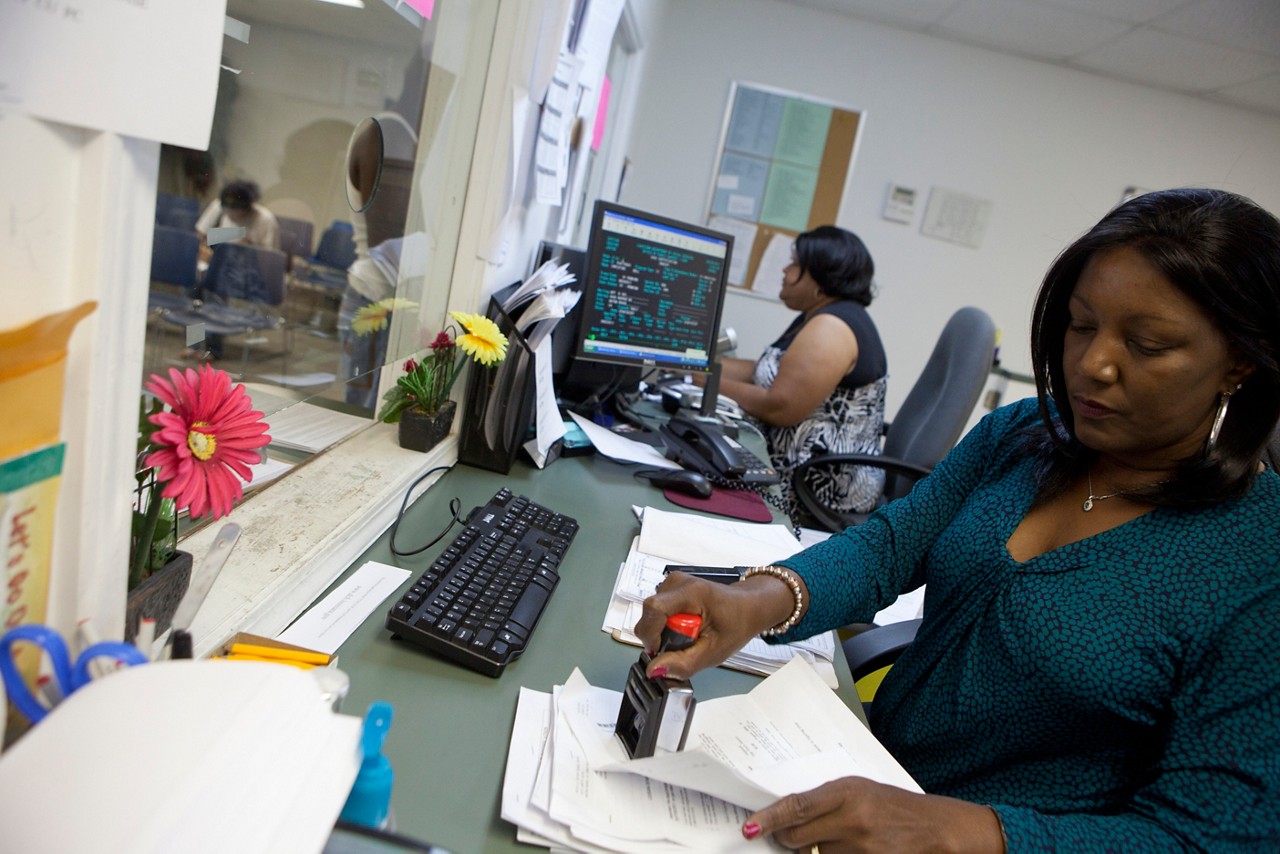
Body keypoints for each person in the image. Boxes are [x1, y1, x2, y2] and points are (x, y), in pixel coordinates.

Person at [637, 188, 1280, 851]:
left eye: (1147, 344)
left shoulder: (1258, 561)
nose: (1093, 364)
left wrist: (965, 834)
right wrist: (754, 598)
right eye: (1082, 325)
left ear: (1239, 359)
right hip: (859, 769)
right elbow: (891, 546)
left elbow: (1207, 838)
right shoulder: (1023, 434)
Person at [703, 226, 888, 519]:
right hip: (795, 468)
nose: (785, 271)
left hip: (819, 485)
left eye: (795, 264)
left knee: (695, 475)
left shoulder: (832, 328)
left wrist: (702, 381)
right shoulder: (816, 316)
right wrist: (694, 366)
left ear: (821, 279)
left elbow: (780, 407)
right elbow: (764, 371)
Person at [194, 179, 280, 263]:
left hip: (249, 266)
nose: (229, 213)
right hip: (219, 261)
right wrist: (204, 249)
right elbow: (200, 234)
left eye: (235, 210)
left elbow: (270, 258)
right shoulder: (218, 207)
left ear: (248, 207)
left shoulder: (265, 220)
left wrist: (249, 249)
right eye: (226, 209)